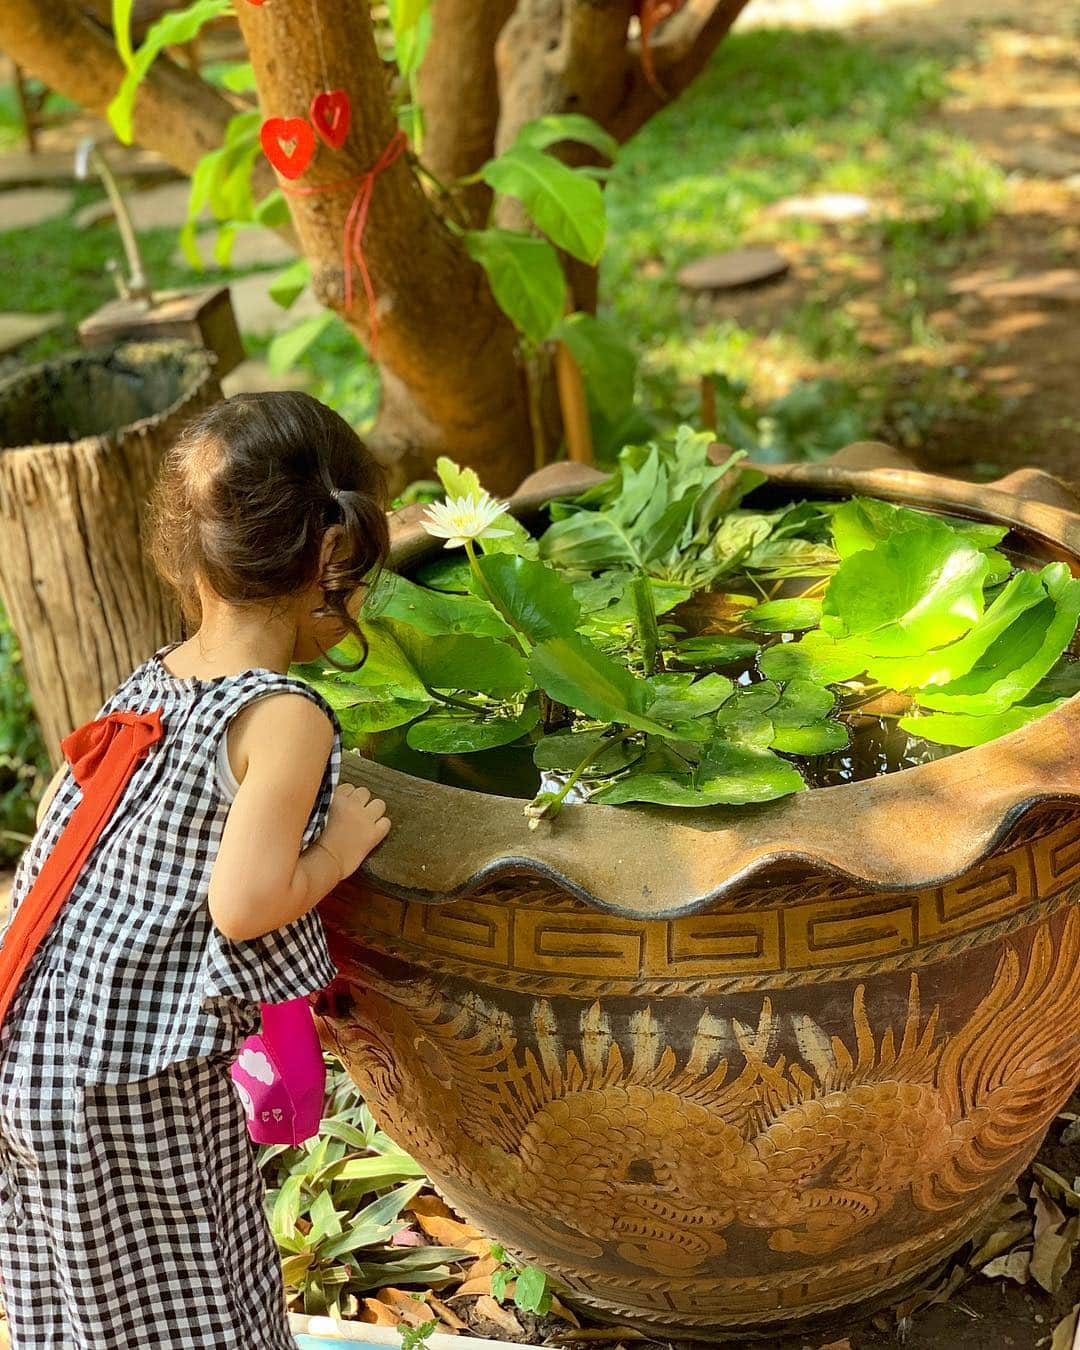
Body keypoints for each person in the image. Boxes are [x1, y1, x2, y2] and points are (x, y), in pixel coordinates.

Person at [0, 391, 392, 1348]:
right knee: (205, 1293)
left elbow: (60, 819)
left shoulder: (153, 679)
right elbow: (247, 902)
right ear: (330, 561)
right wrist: (339, 847)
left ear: (196, 551)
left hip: (34, 1053)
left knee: (89, 1303)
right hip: (133, 1086)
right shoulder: (282, 715)